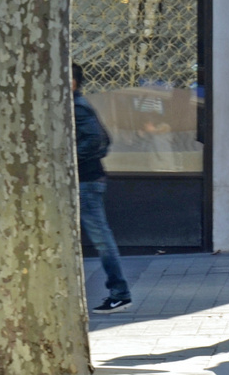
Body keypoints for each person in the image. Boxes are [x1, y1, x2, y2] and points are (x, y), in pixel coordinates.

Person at [74, 63, 132, 313]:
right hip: (85, 179)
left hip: (85, 181)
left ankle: (120, 293)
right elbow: (104, 140)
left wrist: (67, 159)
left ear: (72, 82)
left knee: (101, 238)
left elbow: (98, 140)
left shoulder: (76, 106)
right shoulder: (78, 104)